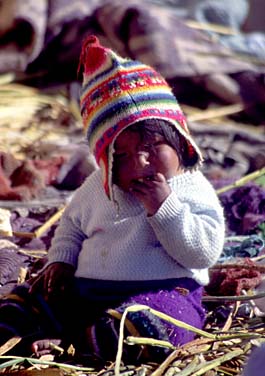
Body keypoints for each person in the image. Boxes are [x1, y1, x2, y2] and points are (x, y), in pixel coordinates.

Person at [0, 35, 225, 363]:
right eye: (121, 155)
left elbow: (203, 251)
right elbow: (71, 227)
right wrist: (61, 261)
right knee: (23, 301)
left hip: (158, 293)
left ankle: (74, 343)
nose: (140, 163)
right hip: (87, 293)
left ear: (179, 138)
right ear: (104, 162)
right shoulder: (96, 188)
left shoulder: (191, 187)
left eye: (151, 146)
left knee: (162, 325)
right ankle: (31, 334)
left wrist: (166, 210)